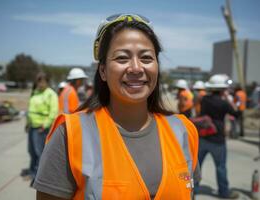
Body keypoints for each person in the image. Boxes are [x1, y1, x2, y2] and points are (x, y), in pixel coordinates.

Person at [33, 13, 199, 200]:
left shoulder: (183, 131)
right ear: (103, 71)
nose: (136, 68)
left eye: (146, 58)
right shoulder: (70, 135)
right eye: (122, 58)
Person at [195, 74, 240, 199]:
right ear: (223, 89)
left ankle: (193, 189)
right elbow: (236, 114)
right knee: (220, 167)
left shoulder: (204, 99)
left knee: (196, 166)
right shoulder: (224, 103)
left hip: (203, 136)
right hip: (218, 140)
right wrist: (228, 99)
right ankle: (224, 192)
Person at [25, 72, 58, 179]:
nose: (40, 83)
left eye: (43, 81)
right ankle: (32, 172)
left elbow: (53, 112)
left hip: (41, 127)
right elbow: (30, 108)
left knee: (39, 151)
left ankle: (37, 176)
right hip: (32, 126)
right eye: (39, 81)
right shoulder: (35, 92)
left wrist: (45, 125)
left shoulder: (51, 94)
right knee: (31, 151)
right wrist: (27, 123)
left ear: (47, 82)